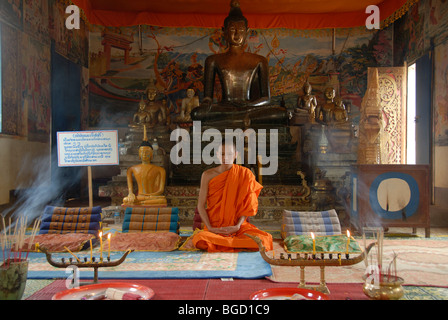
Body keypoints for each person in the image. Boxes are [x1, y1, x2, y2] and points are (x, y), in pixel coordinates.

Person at [190, 0, 286, 127]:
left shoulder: (260, 60)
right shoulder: (212, 60)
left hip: (249, 107)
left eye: (241, 29)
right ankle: (244, 121)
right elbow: (208, 97)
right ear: (224, 31)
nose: (236, 34)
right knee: (196, 114)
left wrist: (249, 105)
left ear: (247, 31)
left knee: (282, 113)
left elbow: (266, 99)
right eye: (232, 29)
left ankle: (235, 120)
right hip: (225, 108)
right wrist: (205, 105)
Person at [191, 140, 273, 252]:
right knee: (199, 239)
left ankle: (224, 243)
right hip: (215, 227)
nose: (225, 157)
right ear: (217, 154)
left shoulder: (245, 174)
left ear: (235, 155)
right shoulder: (207, 175)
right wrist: (210, 228)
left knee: (264, 240)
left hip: (238, 227)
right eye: (222, 154)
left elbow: (248, 205)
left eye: (229, 154)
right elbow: (200, 205)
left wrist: (237, 226)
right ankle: (232, 243)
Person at [122, 131, 167, 206]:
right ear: (139, 154)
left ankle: (142, 203)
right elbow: (130, 190)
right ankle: (143, 203)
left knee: (163, 200)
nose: (144, 154)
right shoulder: (132, 169)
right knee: (125, 200)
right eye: (142, 152)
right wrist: (130, 194)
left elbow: (161, 190)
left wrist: (149, 196)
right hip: (140, 197)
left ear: (152, 154)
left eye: (147, 152)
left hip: (152, 197)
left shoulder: (160, 170)